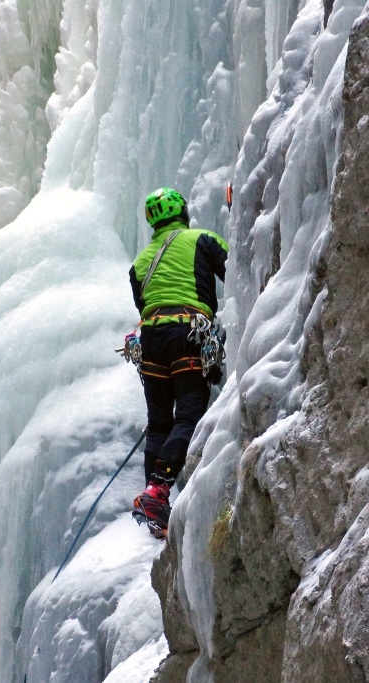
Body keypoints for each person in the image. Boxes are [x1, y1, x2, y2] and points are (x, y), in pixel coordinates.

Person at [129, 187, 228, 539]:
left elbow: (143, 304)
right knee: (188, 414)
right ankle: (159, 489)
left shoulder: (140, 263)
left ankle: (155, 505)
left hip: (151, 339)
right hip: (187, 331)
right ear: (182, 212)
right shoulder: (202, 239)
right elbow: (238, 266)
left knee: (158, 424)